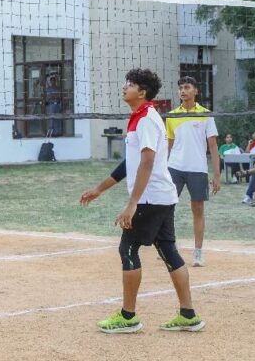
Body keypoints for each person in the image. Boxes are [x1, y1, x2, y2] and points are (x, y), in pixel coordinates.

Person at [92, 68, 204, 334]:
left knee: (128, 249)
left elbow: (147, 161)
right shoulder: (140, 118)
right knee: (168, 250)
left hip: (151, 199)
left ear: (141, 92)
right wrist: (99, 189)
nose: (123, 87)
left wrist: (132, 204)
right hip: (161, 196)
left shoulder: (147, 119)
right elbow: (129, 164)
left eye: (129, 84)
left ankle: (128, 316)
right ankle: (188, 314)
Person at [166, 76, 220, 267]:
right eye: (180, 87)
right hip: (174, 167)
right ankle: (167, 247)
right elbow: (169, 145)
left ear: (196, 90)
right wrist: (162, 170)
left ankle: (198, 252)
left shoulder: (205, 114)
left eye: (187, 87)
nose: (183, 91)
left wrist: (216, 175)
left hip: (197, 168)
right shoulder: (172, 115)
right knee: (166, 207)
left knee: (198, 209)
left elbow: (213, 147)